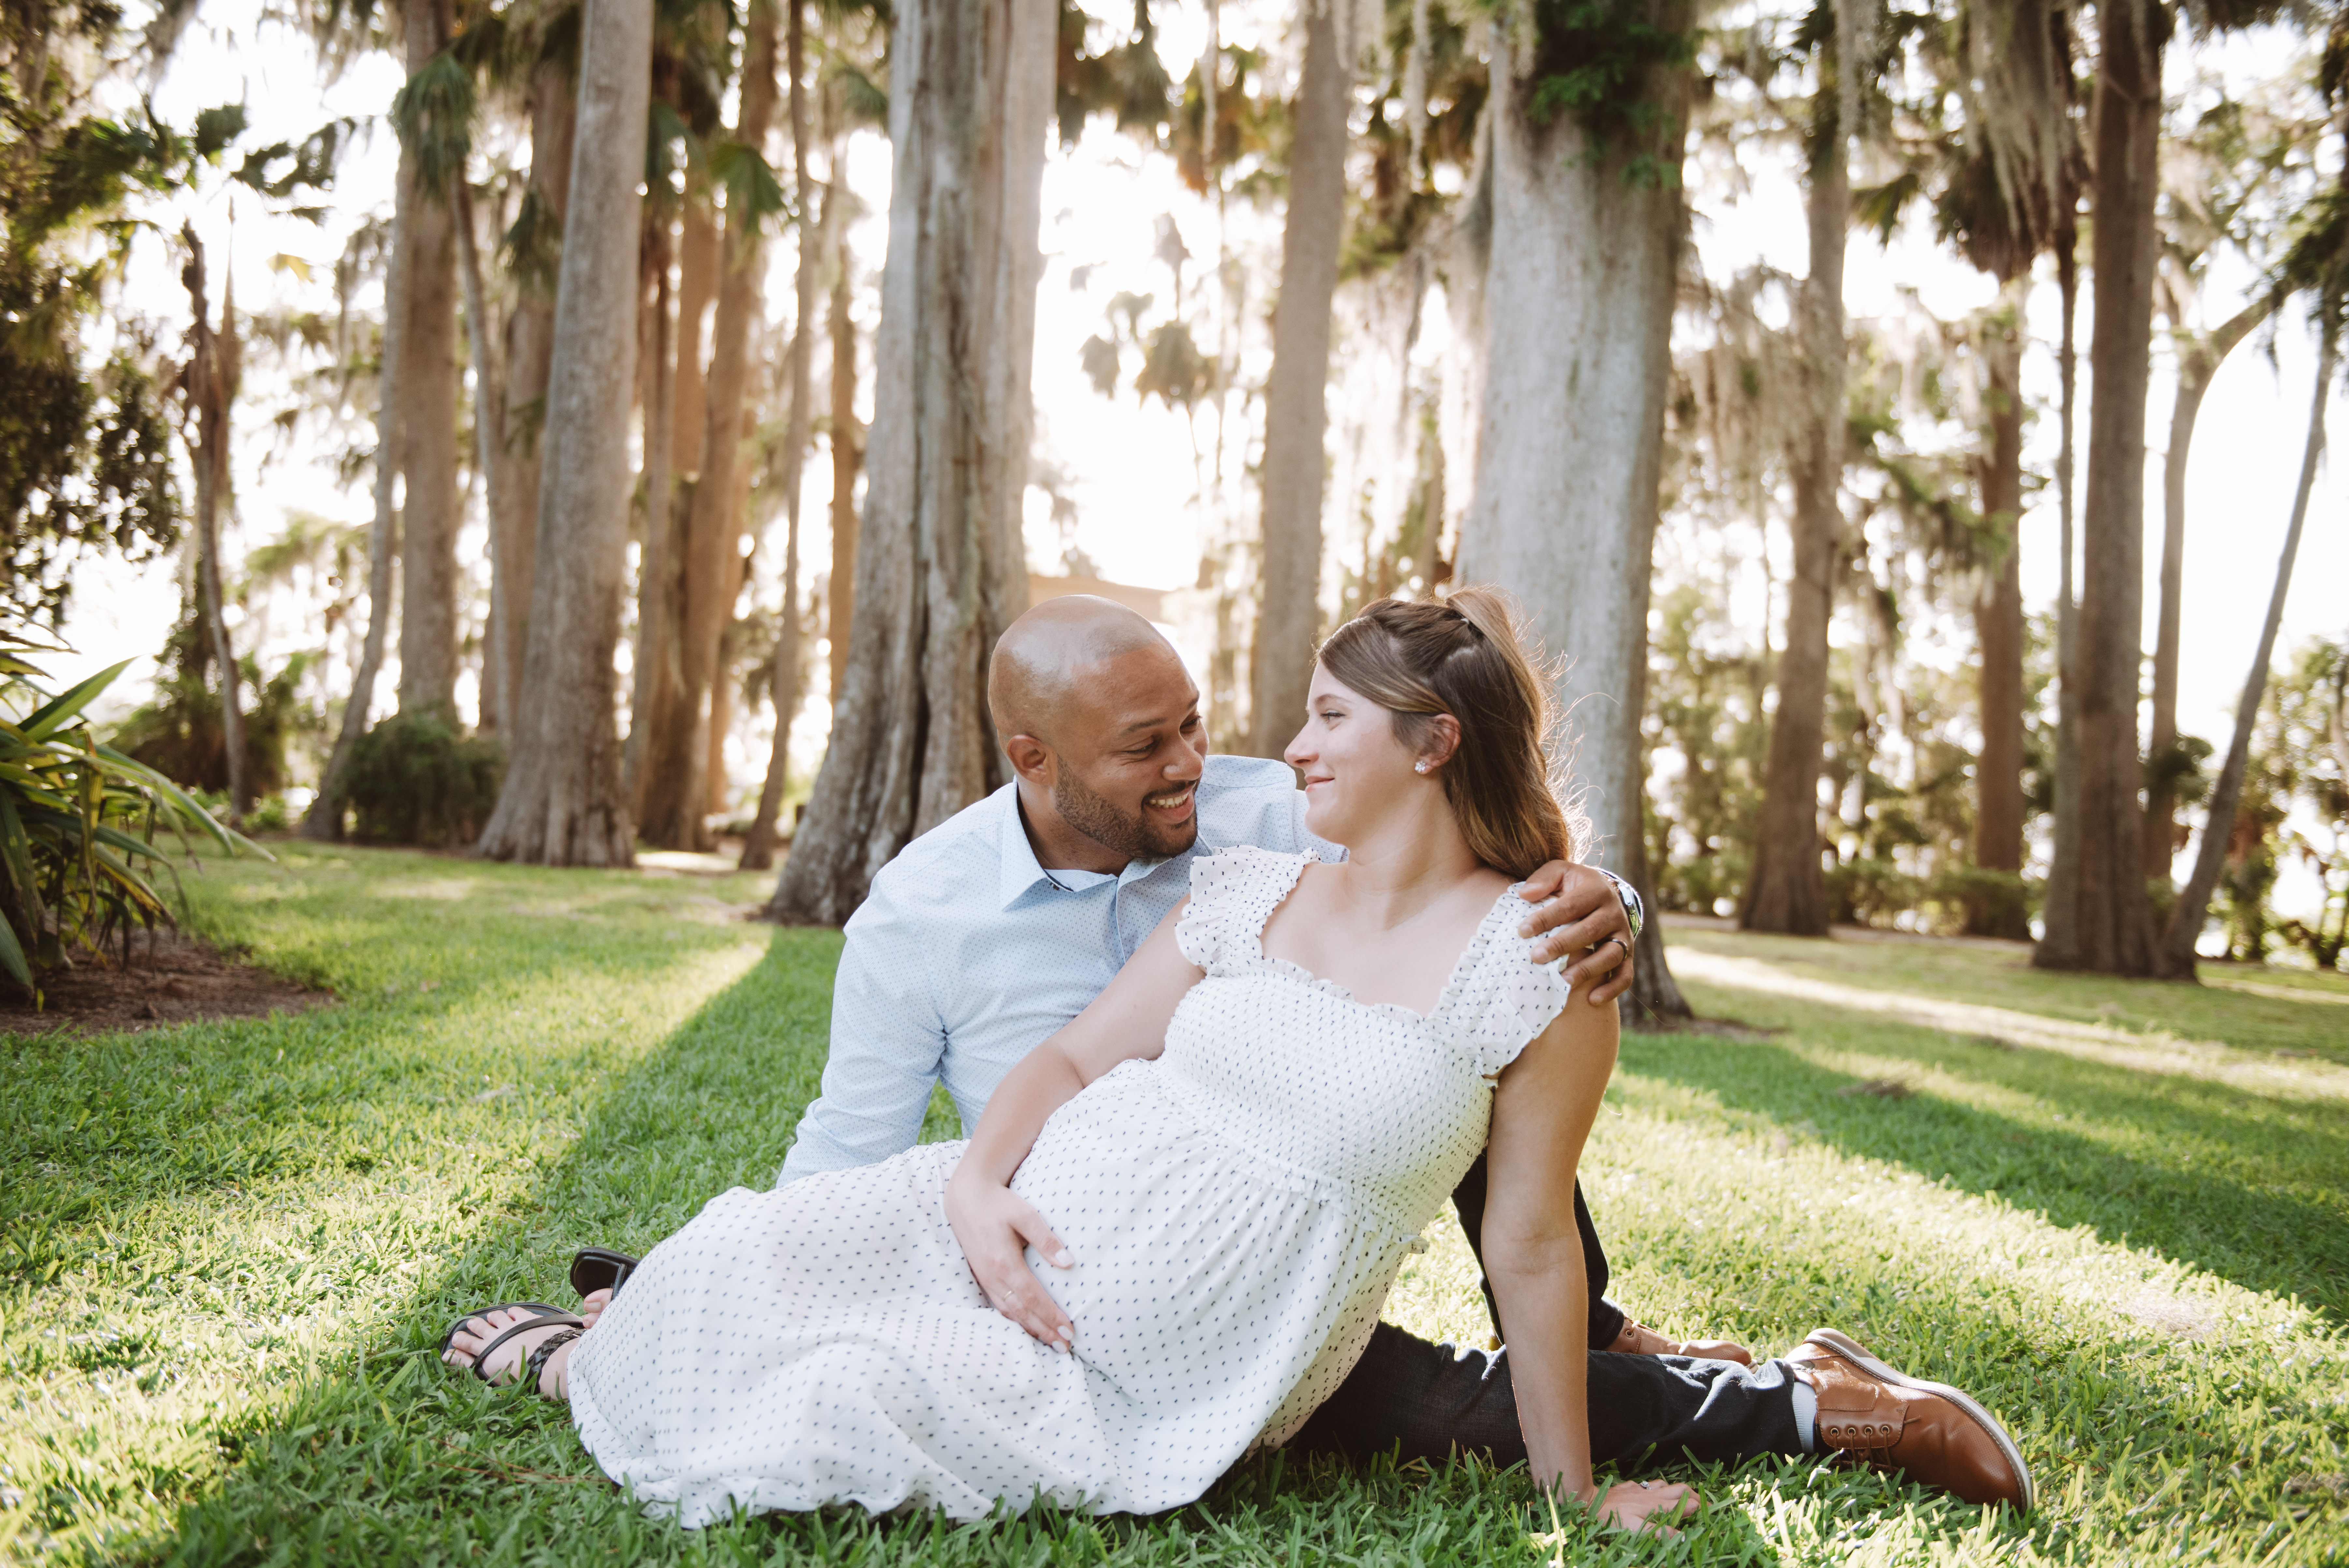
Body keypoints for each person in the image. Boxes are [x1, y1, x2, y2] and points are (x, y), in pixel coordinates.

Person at [443, 592, 2033, 1530]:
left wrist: (1602, 898)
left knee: (835, 1415)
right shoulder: (988, 900)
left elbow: (1526, 1230)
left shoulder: (1310, 842)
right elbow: (1025, 1074)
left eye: (1270, 721)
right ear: (1034, 761)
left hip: (1246, 1332)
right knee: (727, 1263)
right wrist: (978, 1204)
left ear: (1422, 746)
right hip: (1009, 1214)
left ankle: (1797, 1402)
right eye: (1152, 749)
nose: (1233, 761)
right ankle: (599, 1341)